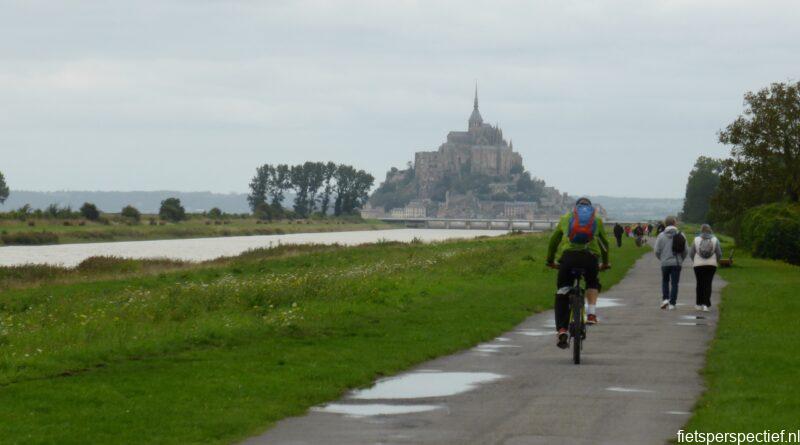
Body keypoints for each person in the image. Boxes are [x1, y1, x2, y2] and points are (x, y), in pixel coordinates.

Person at [547, 197, 610, 349]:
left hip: (568, 258)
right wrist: (605, 262)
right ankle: (591, 314)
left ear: (575, 208)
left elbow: (554, 240)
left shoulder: (566, 218)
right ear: (590, 208)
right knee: (592, 281)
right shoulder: (597, 220)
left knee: (562, 291)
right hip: (590, 258)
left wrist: (550, 260)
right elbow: (605, 244)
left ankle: (562, 330)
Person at [654, 216, 688, 310]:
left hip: (665, 262)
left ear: (665, 224)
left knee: (665, 281)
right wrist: (681, 259)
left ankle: (665, 299)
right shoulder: (681, 234)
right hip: (677, 262)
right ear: (674, 223)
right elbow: (686, 250)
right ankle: (672, 303)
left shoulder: (661, 235)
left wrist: (662, 259)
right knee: (674, 283)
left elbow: (656, 250)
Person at [688, 224, 723, 312]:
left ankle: (698, 304)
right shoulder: (715, 240)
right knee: (708, 283)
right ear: (710, 230)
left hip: (698, 265)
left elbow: (691, 253)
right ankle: (706, 304)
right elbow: (719, 253)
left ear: (701, 230)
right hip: (711, 265)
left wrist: (695, 260)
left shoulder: (696, 239)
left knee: (699, 283)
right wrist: (716, 261)